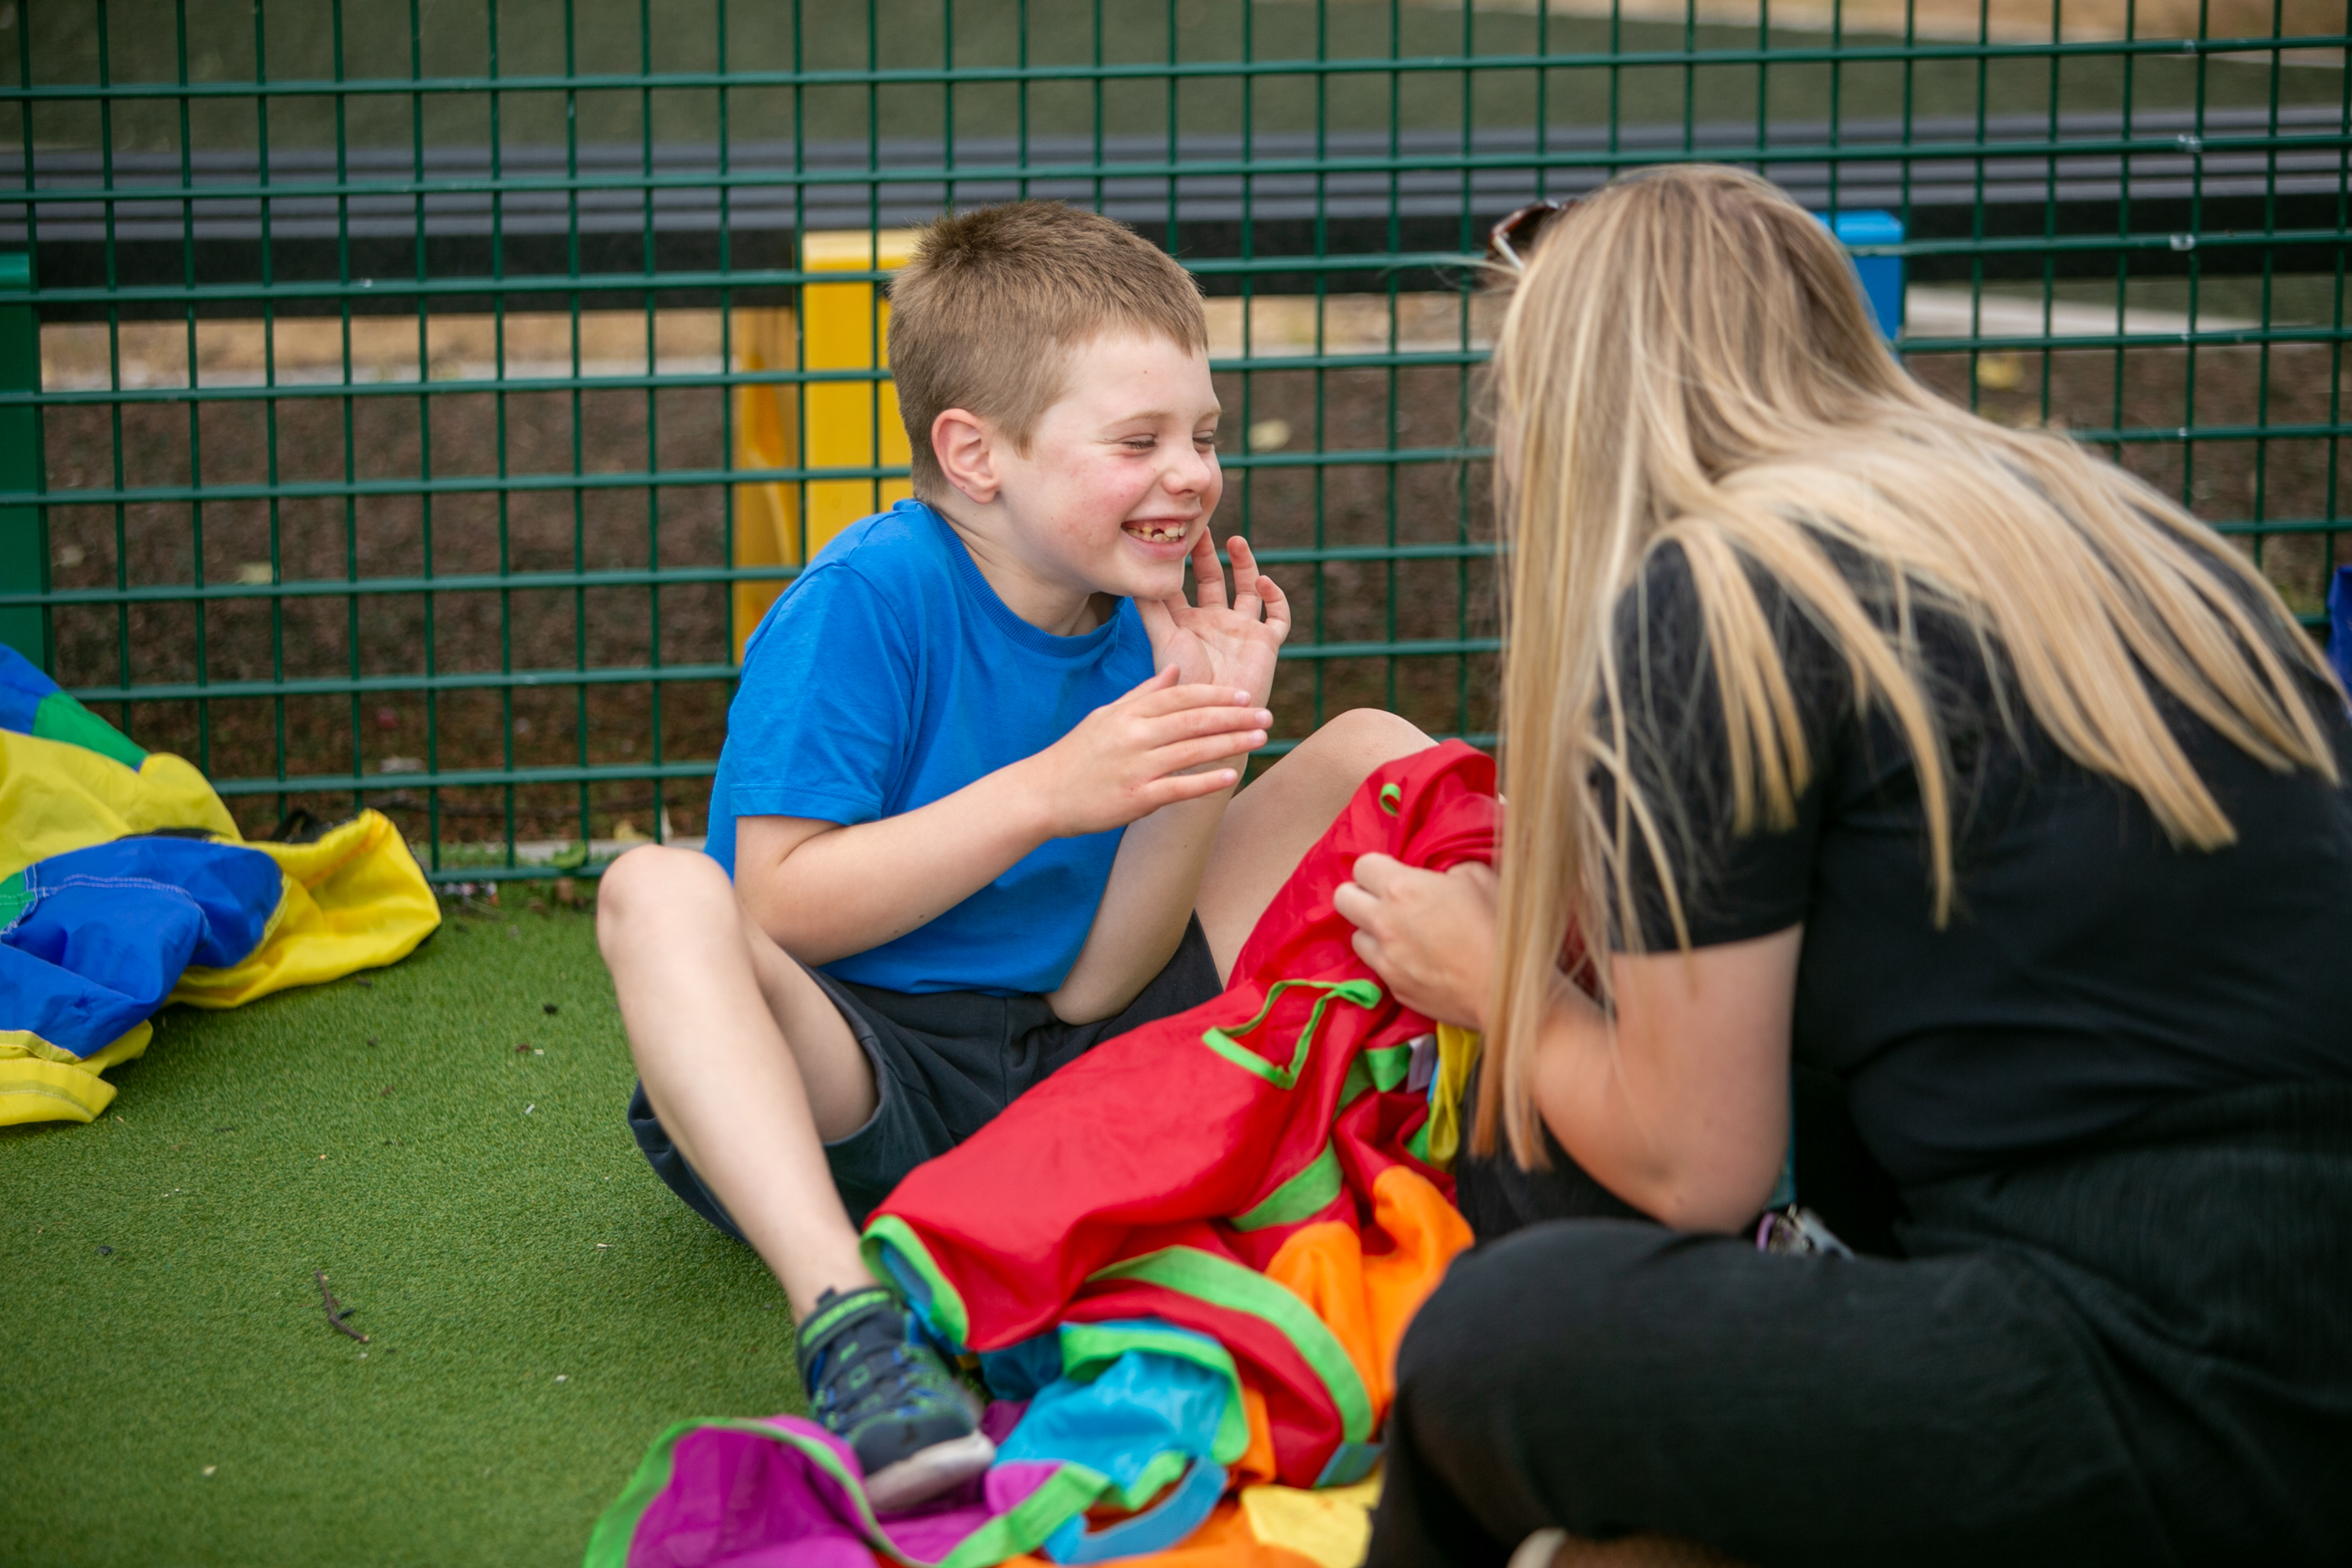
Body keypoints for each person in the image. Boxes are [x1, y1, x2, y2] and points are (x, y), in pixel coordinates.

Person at [1335, 164, 2352, 1565]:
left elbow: (1701, 1169)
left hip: (2160, 1372)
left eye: (1516, 400)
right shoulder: (2089, 531)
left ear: (1578, 407)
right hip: (2288, 1315)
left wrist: (1492, 985)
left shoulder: (1718, 596)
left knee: (1485, 1344)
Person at [595, 202, 1428, 1514]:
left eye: (1203, 435)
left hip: (1065, 1056)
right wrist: (1048, 792)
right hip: (862, 1069)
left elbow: (1102, 986)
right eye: (1139, 442)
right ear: (976, 454)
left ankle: (1508, 1106)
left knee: (1374, 751)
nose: (1194, 474)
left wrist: (1199, 752)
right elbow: (785, 906)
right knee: (655, 893)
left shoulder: (1148, 607)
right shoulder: (867, 599)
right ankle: (851, 1328)